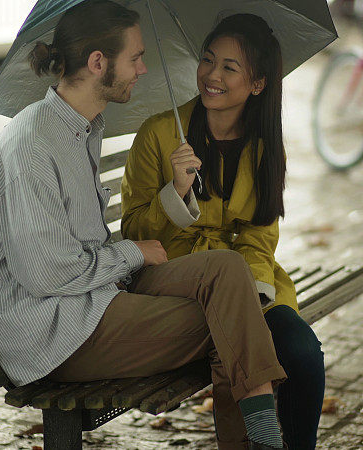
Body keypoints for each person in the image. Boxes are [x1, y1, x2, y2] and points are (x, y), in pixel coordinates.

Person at [0, 2, 287, 449]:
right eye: (135, 57)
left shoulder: (81, 128)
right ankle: (266, 442)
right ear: (99, 63)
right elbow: (46, 274)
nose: (143, 68)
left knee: (229, 270)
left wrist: (133, 253)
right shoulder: (32, 147)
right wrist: (132, 254)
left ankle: (264, 439)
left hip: (92, 303)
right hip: (58, 334)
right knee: (232, 321)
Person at [121, 13, 325, 450]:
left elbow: (259, 233)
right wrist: (174, 193)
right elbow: (133, 230)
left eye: (229, 68)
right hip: (172, 282)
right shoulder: (159, 135)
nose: (212, 75)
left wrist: (251, 288)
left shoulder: (265, 144)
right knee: (240, 346)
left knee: (303, 352)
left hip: (241, 281)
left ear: (258, 84)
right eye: (208, 60)